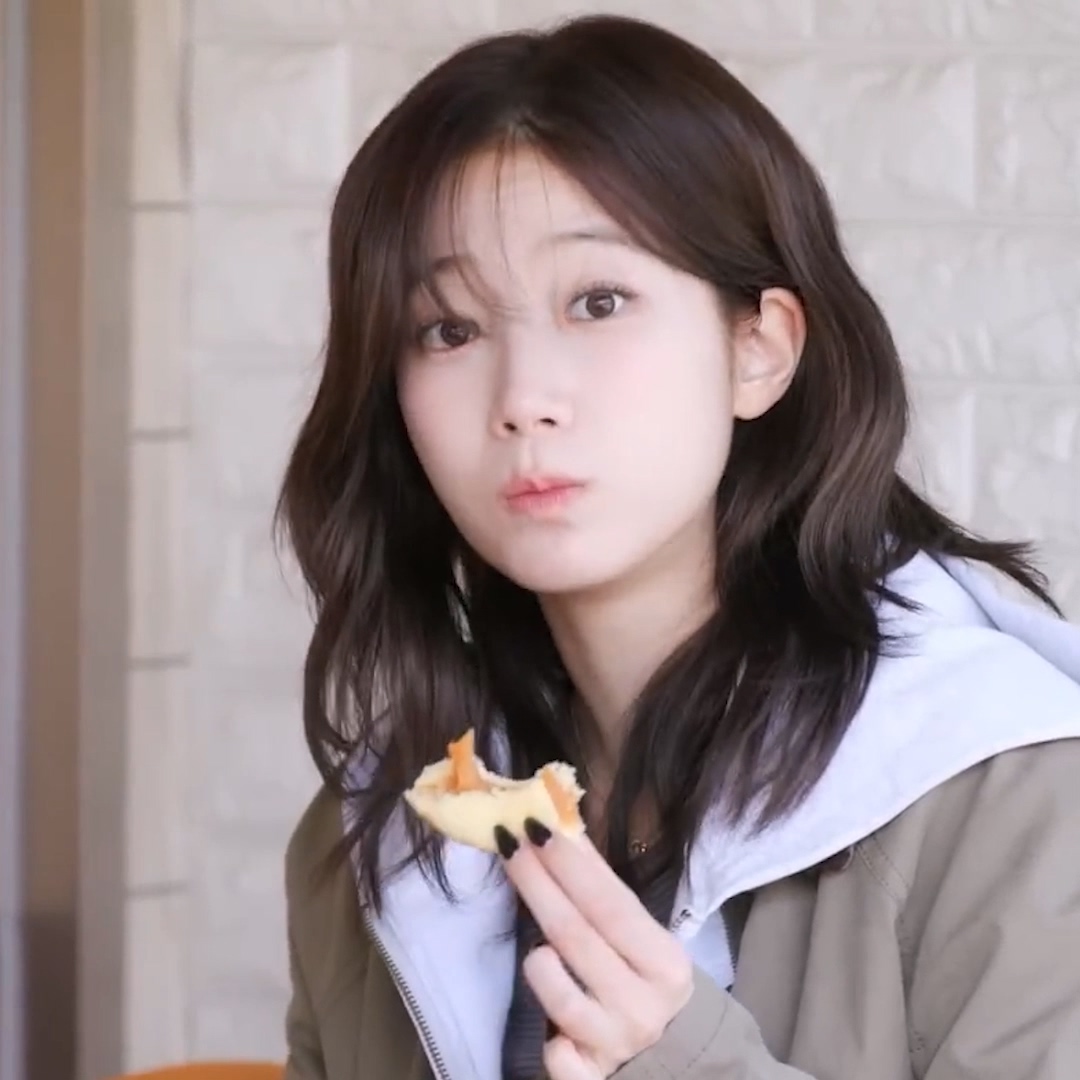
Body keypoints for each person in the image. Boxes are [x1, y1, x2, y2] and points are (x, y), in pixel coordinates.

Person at [274, 13, 1080, 1080]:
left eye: (598, 301)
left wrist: (688, 1064)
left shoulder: (1014, 797)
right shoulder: (378, 841)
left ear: (759, 350)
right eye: (449, 329)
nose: (523, 399)